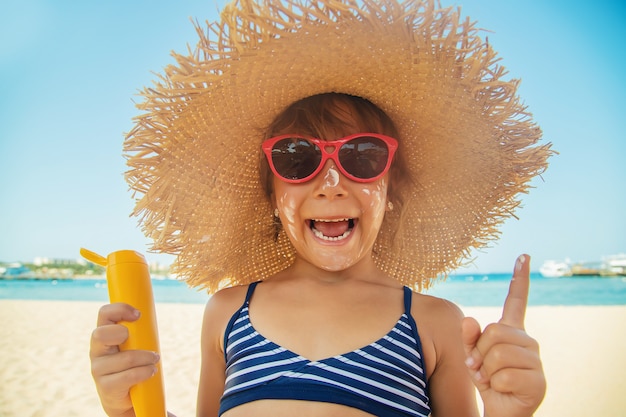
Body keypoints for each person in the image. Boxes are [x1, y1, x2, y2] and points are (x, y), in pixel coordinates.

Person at [90, 0, 551, 416]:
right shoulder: (228, 313)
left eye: (362, 157)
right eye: (297, 159)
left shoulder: (433, 323)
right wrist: (128, 409)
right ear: (271, 195)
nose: (331, 185)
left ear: (392, 192)